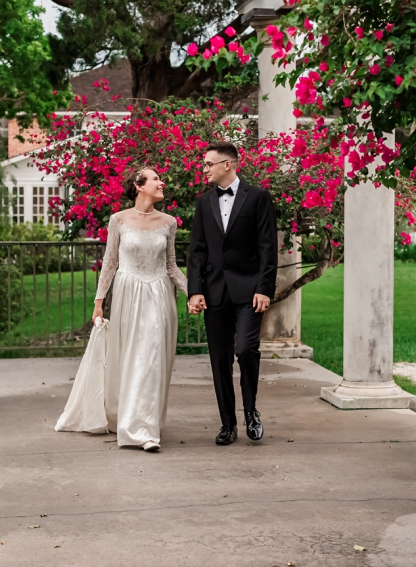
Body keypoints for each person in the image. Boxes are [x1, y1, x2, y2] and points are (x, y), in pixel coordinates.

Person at [56, 167, 188, 452]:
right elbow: (110, 262)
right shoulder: (118, 220)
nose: (161, 181)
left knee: (152, 358)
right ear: (139, 186)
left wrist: (195, 293)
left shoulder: (169, 222)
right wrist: (98, 303)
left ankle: (143, 430)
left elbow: (171, 267)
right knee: (131, 358)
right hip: (128, 296)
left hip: (159, 295)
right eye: (155, 178)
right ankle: (127, 418)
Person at [187, 141, 278, 445]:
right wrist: (195, 291)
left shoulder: (258, 198)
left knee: (246, 350)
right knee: (220, 358)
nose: (204, 169)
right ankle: (228, 424)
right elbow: (197, 251)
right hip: (214, 292)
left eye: (208, 164)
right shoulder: (204, 203)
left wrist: (265, 288)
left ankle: (250, 411)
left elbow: (268, 247)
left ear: (228, 164)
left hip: (250, 289)